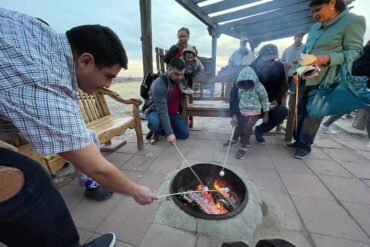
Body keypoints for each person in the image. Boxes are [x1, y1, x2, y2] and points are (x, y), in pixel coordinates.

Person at [0, 7, 156, 247]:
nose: (107, 84)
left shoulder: (40, 32)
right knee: (27, 182)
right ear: (85, 60)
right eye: (108, 75)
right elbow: (96, 167)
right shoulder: (47, 82)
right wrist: (135, 190)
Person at [287, 0, 365, 158]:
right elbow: (308, 51)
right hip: (308, 71)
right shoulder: (315, 27)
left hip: (327, 75)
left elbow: (355, 52)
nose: (315, 14)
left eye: (317, 10)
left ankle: (305, 145)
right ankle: (298, 139)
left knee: (314, 112)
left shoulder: (352, 20)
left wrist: (327, 58)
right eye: (312, 12)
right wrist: (298, 72)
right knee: (300, 109)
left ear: (332, 3)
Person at [228, 44, 288, 145]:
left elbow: (283, 86)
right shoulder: (249, 70)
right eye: (266, 61)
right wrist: (234, 113)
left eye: (272, 60)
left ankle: (260, 130)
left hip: (267, 103)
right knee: (244, 129)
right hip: (249, 104)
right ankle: (241, 134)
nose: (269, 64)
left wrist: (276, 100)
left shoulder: (279, 67)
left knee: (282, 111)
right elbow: (235, 92)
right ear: (259, 57)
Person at [145, 57, 192, 145]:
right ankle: (156, 129)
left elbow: (185, 87)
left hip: (173, 114)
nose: (180, 77)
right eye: (176, 74)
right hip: (157, 112)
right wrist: (170, 133)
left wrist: (188, 90)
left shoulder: (180, 79)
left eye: (182, 74)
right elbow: (162, 110)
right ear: (169, 69)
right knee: (155, 123)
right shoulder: (159, 84)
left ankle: (161, 129)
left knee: (184, 134)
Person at [227, 66, 270, 160]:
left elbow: (264, 99)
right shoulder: (241, 88)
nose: (246, 84)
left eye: (249, 81)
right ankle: (234, 140)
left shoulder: (259, 87)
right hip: (242, 112)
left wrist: (266, 113)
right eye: (244, 82)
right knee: (238, 128)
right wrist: (235, 114)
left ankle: (243, 148)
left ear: (253, 78)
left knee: (247, 129)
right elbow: (238, 99)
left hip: (253, 113)